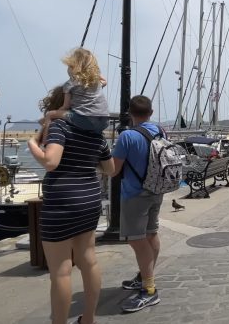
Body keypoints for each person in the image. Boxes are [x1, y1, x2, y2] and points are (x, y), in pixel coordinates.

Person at [28, 85, 114, 324]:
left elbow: (51, 162)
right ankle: (88, 319)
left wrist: (32, 145)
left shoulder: (60, 126)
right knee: (89, 261)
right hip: (89, 199)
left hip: (62, 201)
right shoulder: (95, 133)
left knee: (61, 271)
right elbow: (110, 169)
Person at [111, 96, 164, 313]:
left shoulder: (127, 136)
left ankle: (149, 290)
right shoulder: (160, 130)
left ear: (130, 113)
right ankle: (144, 276)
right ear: (150, 112)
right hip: (156, 190)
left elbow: (113, 169)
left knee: (137, 240)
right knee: (151, 234)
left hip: (135, 195)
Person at [44, 48, 110, 134]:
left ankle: (45, 141)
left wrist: (58, 111)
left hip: (85, 120)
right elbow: (104, 81)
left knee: (50, 115)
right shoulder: (96, 83)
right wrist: (95, 74)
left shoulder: (69, 84)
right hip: (104, 122)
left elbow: (66, 106)